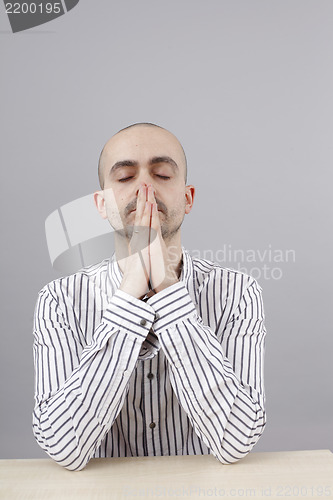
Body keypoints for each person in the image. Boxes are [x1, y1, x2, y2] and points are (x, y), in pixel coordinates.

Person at [32, 123, 267, 471]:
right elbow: (64, 447)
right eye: (125, 177)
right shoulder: (59, 301)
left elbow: (235, 440)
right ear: (101, 205)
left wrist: (168, 290)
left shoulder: (238, 293)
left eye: (161, 174)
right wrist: (129, 295)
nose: (145, 187)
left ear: (187, 199)